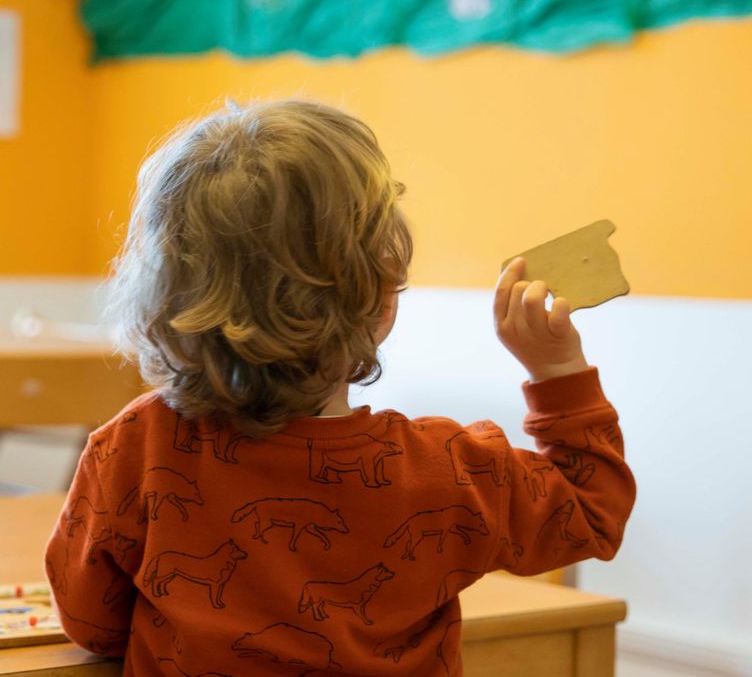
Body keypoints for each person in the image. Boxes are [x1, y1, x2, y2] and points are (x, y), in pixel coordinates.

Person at [45, 100, 636, 676]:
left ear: (166, 296)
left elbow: (90, 621)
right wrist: (557, 370)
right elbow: (593, 513)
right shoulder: (451, 473)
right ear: (381, 299)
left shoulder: (136, 447)